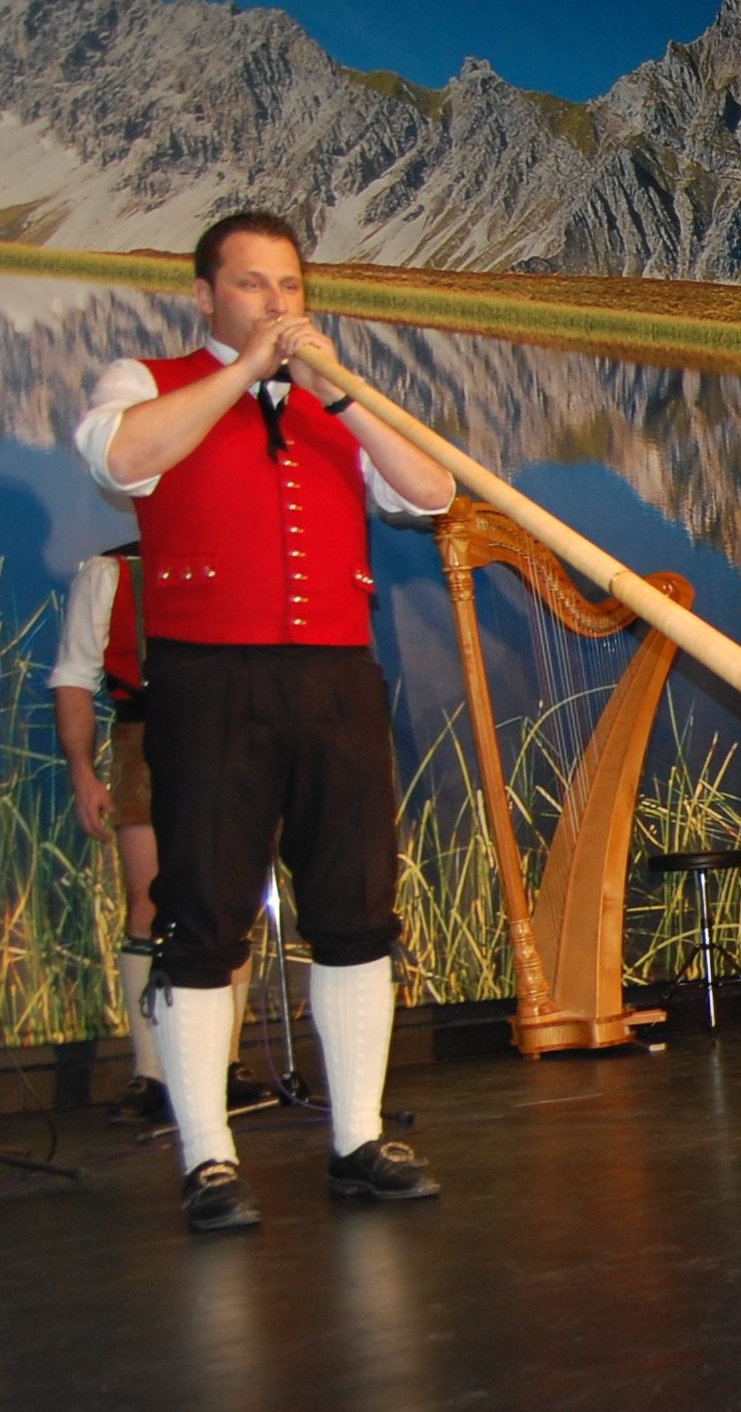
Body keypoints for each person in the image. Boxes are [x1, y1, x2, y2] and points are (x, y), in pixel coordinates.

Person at [73, 210, 457, 1232]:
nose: (276, 303)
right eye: (252, 284)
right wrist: (244, 371)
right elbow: (120, 460)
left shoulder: (340, 399)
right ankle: (207, 1156)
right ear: (205, 295)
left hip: (335, 674)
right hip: (210, 680)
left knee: (355, 906)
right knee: (203, 912)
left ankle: (358, 1139)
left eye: (289, 285)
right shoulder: (146, 381)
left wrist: (345, 397)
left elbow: (432, 492)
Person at [47, 541, 269, 1125]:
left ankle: (225, 1063)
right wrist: (83, 774)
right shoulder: (112, 572)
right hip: (144, 737)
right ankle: (152, 1073)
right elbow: (74, 676)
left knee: (227, 900)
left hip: (232, 735)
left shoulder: (240, 552)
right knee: (148, 903)